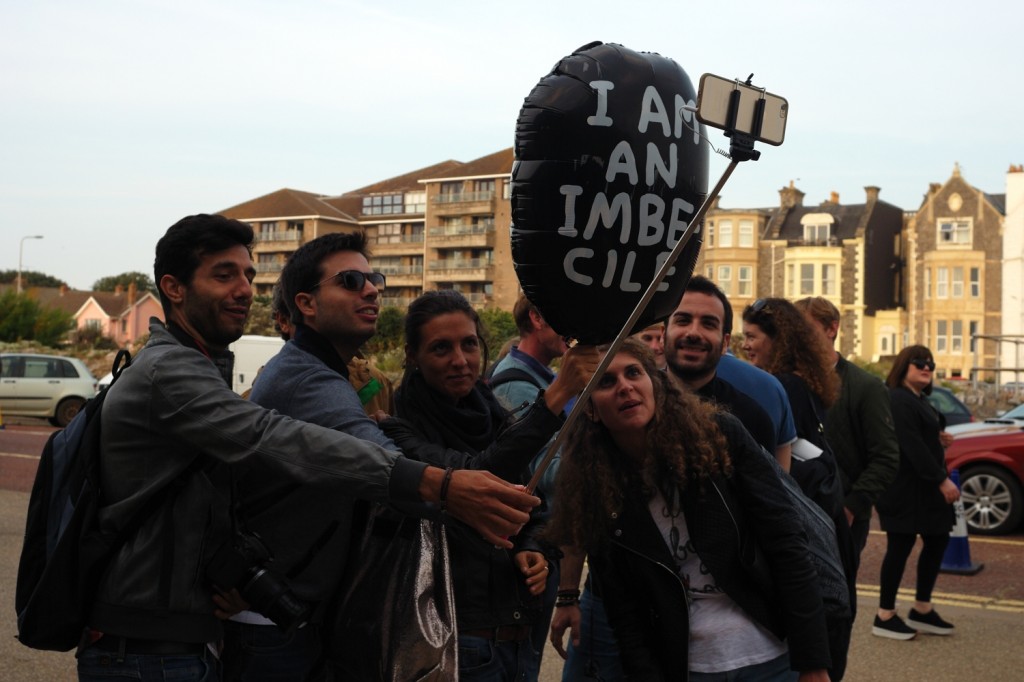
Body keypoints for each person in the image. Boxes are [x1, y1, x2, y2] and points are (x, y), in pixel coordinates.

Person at [76, 215, 540, 682]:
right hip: (153, 643)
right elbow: (273, 436)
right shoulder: (187, 374)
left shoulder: (217, 368)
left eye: (249, 276)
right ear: (174, 289)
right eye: (224, 275)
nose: (244, 289)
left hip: (200, 630)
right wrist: (437, 483)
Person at [548, 339, 832, 681]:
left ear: (654, 383)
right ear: (591, 408)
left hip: (770, 656)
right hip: (688, 665)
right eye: (606, 382)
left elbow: (787, 543)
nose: (624, 387)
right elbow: (626, 612)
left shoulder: (719, 437)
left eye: (633, 373)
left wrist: (814, 663)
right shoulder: (595, 486)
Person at [381, 289, 598, 682]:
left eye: (469, 344)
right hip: (457, 643)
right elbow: (475, 476)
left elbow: (529, 502)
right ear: (413, 356)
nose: (460, 361)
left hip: (516, 636)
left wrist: (531, 547)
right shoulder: (397, 434)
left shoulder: (490, 411)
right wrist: (556, 396)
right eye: (441, 349)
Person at [222, 232, 403, 679]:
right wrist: (457, 488)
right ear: (304, 305)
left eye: (373, 278)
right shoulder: (306, 380)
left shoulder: (329, 372)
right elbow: (388, 467)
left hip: (297, 612)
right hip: (271, 624)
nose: (372, 289)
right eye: (350, 280)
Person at [740, 297, 855, 681]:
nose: (745, 345)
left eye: (752, 337)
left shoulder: (781, 386)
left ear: (779, 340)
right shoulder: (807, 382)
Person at [488, 293, 571, 664]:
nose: (573, 330)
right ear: (536, 318)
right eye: (565, 318)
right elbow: (544, 474)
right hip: (530, 546)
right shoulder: (515, 387)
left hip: (544, 542)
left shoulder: (545, 378)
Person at [795, 296, 899, 580]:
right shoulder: (786, 381)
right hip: (794, 511)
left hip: (843, 516)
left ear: (832, 329)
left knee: (836, 599)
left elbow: (886, 457)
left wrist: (852, 507)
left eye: (806, 328)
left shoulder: (865, 387)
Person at [872, 345, 960, 640]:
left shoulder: (917, 399)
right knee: (901, 545)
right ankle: (884, 615)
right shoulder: (898, 398)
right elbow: (910, 445)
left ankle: (921, 608)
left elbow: (921, 438)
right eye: (919, 362)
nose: (926, 367)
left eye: (931, 364)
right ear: (903, 366)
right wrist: (942, 480)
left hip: (924, 489)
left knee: (937, 539)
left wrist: (938, 439)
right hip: (906, 489)